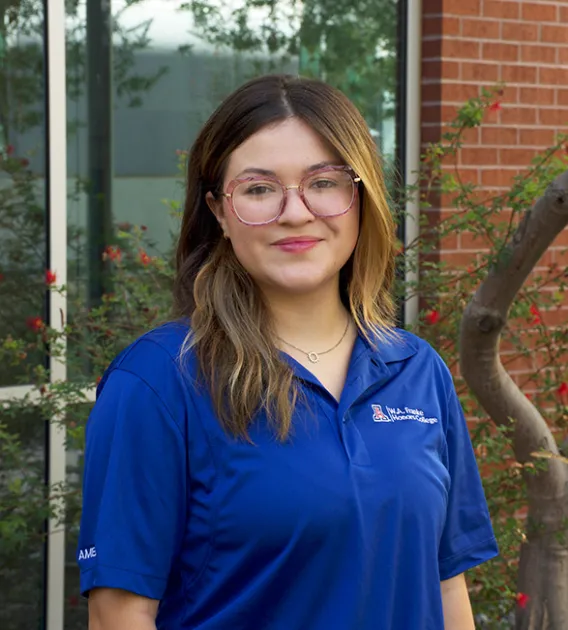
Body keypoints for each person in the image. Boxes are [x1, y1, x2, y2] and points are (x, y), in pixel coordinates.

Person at [78, 74, 498, 630]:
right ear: (220, 213)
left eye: (323, 183)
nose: (296, 212)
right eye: (258, 189)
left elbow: (446, 586)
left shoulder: (417, 371)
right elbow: (119, 615)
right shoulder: (158, 382)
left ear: (360, 197)